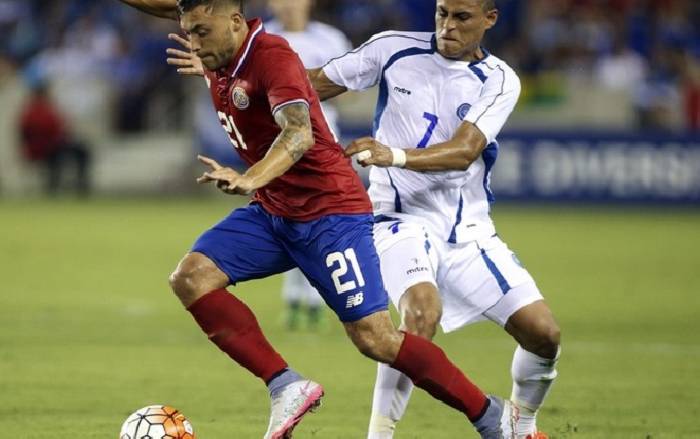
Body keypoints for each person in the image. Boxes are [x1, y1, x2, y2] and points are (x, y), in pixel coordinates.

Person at [118, 0, 519, 437]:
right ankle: (285, 386)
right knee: (191, 277)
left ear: (235, 22)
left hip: (330, 213)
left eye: (202, 33)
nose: (195, 44)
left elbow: (299, 132)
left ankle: (491, 415)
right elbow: (179, 6)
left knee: (376, 339)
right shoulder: (222, 49)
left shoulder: (272, 56)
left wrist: (252, 178)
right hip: (275, 210)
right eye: (189, 32)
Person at [306, 0, 562, 438]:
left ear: (489, 19)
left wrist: (394, 155)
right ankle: (379, 435)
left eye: (461, 17)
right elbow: (310, 84)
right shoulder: (393, 50)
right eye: (442, 13)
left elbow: (465, 150)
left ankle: (521, 425)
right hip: (395, 218)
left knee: (544, 335)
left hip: (469, 233)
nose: (447, 26)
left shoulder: (499, 80)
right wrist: (237, 75)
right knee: (420, 315)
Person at [264, 0, 352, 331]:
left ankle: (314, 301)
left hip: (323, 142)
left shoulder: (331, 39)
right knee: (287, 217)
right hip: (277, 142)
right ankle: (293, 298)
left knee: (321, 219)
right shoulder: (262, 36)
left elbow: (350, 85)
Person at [18, 82, 91, 197]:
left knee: (82, 150)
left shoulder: (50, 109)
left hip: (56, 145)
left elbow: (62, 128)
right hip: (41, 147)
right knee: (56, 156)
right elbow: (27, 133)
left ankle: (81, 186)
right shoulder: (31, 112)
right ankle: (53, 188)